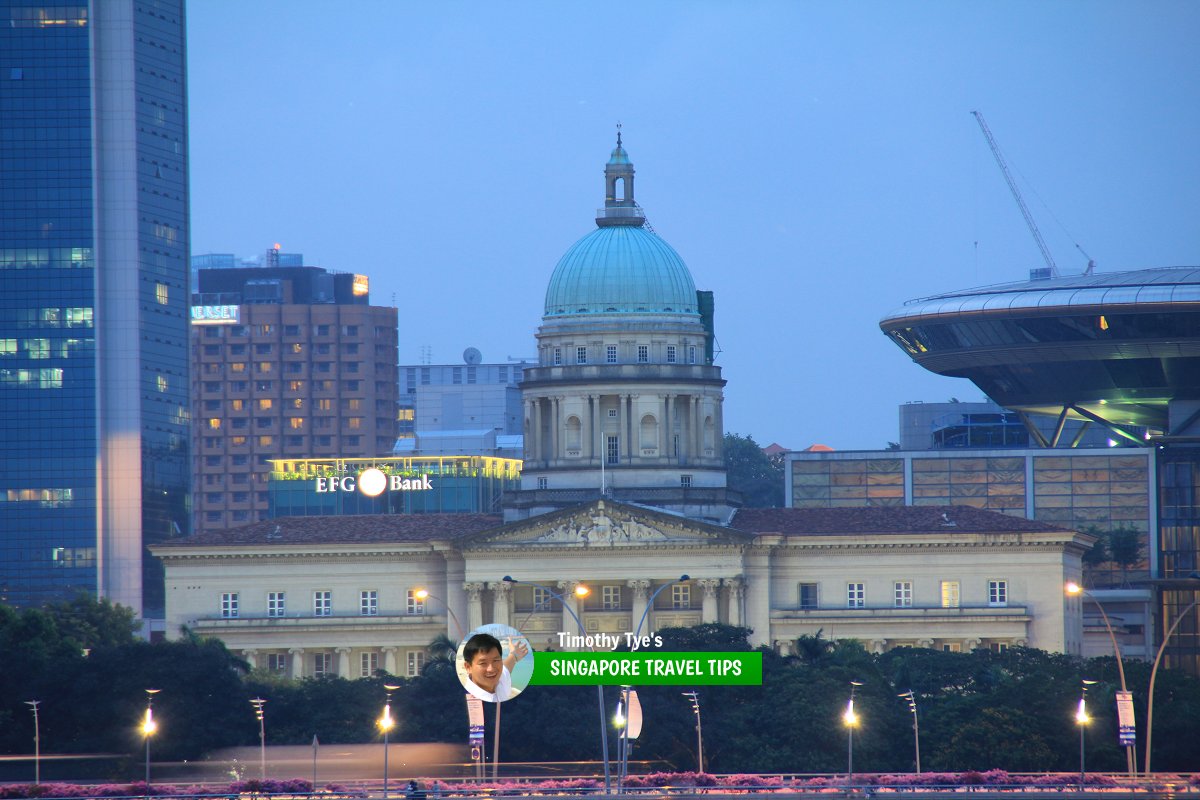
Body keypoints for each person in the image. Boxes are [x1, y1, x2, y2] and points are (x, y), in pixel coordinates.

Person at [461, 632, 529, 702]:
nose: (491, 669)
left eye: (496, 660)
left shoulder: (500, 680)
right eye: (483, 663)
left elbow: (506, 667)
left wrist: (514, 655)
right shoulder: (467, 702)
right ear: (468, 667)